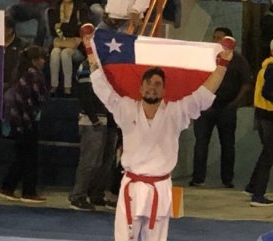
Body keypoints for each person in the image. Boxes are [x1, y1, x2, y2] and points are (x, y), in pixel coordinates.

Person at [89, 38, 234, 240]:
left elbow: (203, 95)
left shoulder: (176, 112)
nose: (152, 87)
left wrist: (223, 65)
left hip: (159, 186)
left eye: (157, 84)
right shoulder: (126, 108)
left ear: (164, 90)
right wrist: (89, 48)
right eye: (148, 83)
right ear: (140, 88)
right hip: (132, 184)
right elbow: (102, 88)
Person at [189, 27, 253, 188]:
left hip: (226, 107)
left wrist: (234, 104)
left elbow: (246, 84)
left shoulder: (238, 60)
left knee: (227, 145)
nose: (215, 41)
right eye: (214, 37)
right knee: (201, 143)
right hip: (205, 107)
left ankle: (227, 179)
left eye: (219, 38)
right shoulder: (206, 58)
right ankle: (198, 178)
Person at [0, 45, 49, 203]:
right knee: (30, 157)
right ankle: (28, 191)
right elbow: (39, 97)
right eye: (42, 58)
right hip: (27, 120)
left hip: (18, 120)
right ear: (35, 60)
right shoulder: (34, 75)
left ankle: (8, 187)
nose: (44, 62)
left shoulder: (20, 74)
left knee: (21, 156)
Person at [68, 59, 118, 211]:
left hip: (108, 119)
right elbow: (83, 94)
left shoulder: (110, 66)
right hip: (93, 120)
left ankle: (96, 194)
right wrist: (93, 118)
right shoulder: (86, 65)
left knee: (105, 162)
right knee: (90, 161)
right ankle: (77, 196)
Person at [244, 39, 273, 207]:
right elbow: (268, 92)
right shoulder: (272, 68)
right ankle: (258, 194)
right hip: (269, 117)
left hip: (262, 115)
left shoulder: (266, 66)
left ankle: (252, 187)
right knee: (268, 156)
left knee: (266, 154)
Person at [48, 0, 90, 97]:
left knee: (65, 53)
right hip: (60, 43)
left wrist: (61, 27)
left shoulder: (81, 8)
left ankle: (68, 87)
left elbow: (82, 29)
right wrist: (69, 30)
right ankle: (54, 86)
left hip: (77, 48)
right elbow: (52, 30)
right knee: (55, 52)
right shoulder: (55, 8)